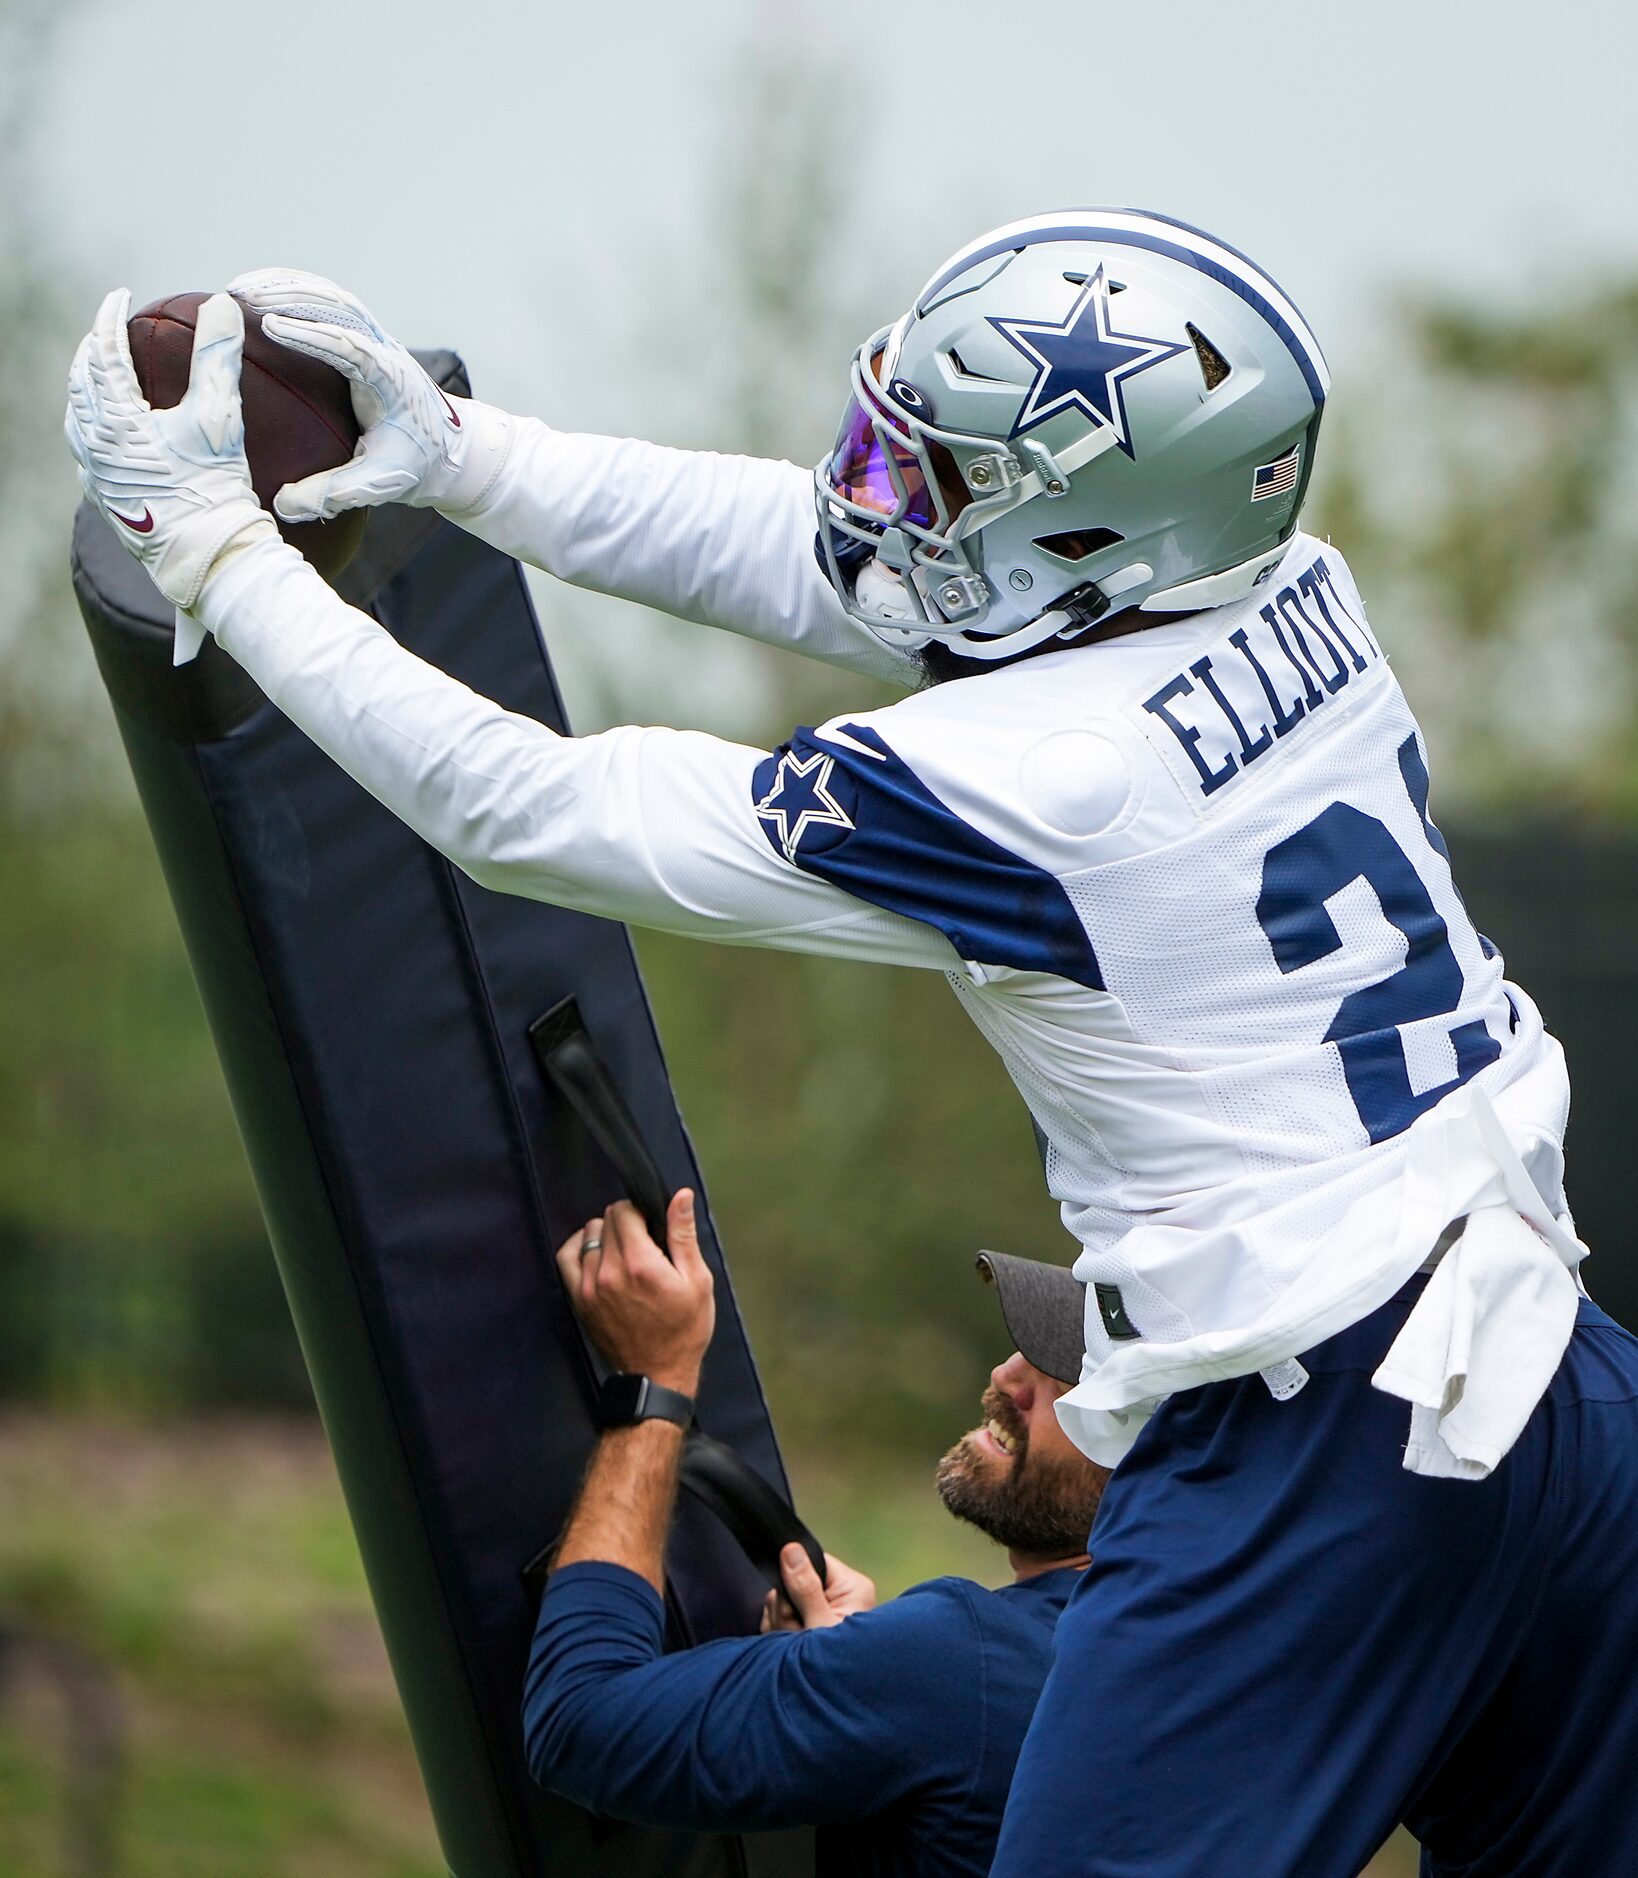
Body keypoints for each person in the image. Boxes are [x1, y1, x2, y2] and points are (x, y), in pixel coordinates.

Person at [63, 209, 1638, 1873]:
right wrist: (464, 456)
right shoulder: (1288, 593)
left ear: (1093, 532)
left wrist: (215, 556)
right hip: (1552, 1367)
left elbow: (516, 805)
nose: (891, 496)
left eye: (948, 477)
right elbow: (823, 556)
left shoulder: (1043, 784)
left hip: (1306, 1435)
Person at [526, 1184, 1103, 1878]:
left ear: (1161, 1465)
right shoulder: (1230, 1670)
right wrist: (860, 1676)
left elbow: (577, 1722)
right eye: (1031, 1348)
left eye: (1075, 1379)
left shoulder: (956, 1662)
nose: (1009, 1375)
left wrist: (653, 1386)